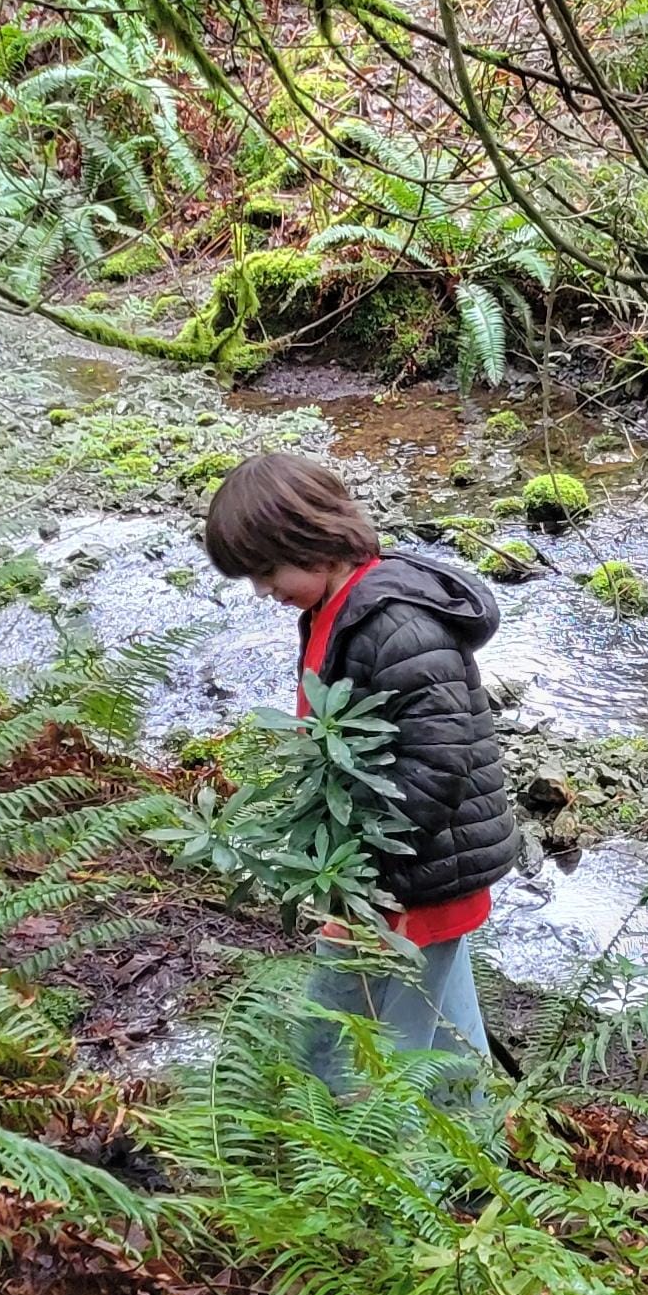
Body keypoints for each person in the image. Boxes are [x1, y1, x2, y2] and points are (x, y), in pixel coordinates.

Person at [201, 451, 519, 1084]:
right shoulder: (335, 606)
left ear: (313, 541)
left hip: (408, 876)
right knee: (447, 1036)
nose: (262, 590)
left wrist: (365, 878)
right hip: (399, 870)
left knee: (365, 1048)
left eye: (266, 571)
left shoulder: (395, 624)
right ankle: (477, 1160)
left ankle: (372, 1172)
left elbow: (437, 762)